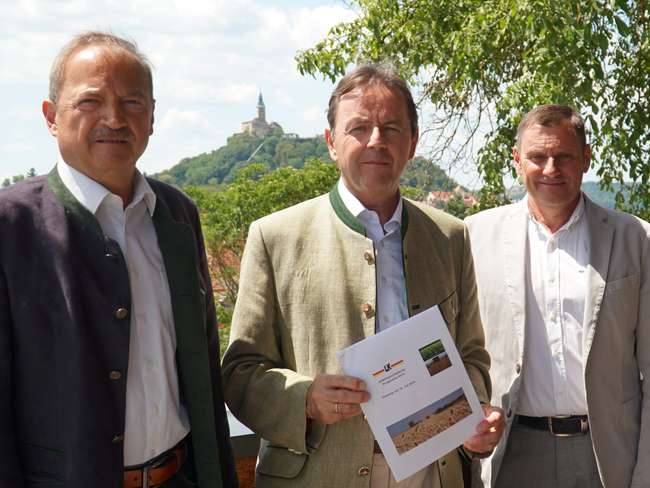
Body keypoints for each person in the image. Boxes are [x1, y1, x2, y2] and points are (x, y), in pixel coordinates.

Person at [222, 63, 504, 488]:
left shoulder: (449, 235)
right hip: (318, 474)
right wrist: (305, 398)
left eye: (392, 128)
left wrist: (477, 410)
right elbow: (240, 370)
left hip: (432, 474)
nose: (377, 140)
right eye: (359, 128)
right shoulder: (274, 236)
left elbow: (472, 356)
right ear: (331, 142)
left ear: (412, 144)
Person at [0, 32, 237, 488]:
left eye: (132, 102)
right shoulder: (12, 226)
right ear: (52, 117)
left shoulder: (177, 215)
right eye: (91, 101)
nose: (114, 117)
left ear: (151, 117)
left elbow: (203, 369)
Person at [466, 104, 650, 487]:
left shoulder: (636, 239)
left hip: (608, 455)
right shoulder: (472, 237)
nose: (550, 169)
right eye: (537, 157)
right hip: (510, 453)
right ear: (517, 160)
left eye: (563, 156)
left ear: (585, 159)